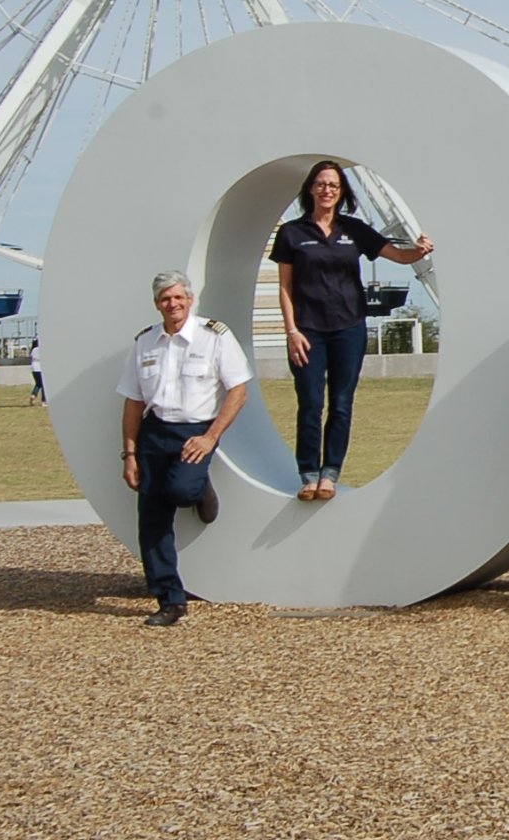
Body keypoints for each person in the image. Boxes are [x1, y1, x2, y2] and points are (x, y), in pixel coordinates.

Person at [270, 160, 433, 500]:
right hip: (308, 331)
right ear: (310, 189)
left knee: (341, 403)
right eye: (321, 183)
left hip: (348, 328)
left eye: (333, 185)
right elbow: (285, 287)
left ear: (342, 191)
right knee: (311, 403)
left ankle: (330, 473)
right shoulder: (292, 233)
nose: (327, 190)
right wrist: (291, 330)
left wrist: (418, 250)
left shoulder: (354, 229)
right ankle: (308, 473)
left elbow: (400, 257)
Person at [117, 270, 252, 627]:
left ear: (190, 300)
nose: (172, 304)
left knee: (181, 489)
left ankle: (199, 489)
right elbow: (132, 401)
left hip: (196, 430)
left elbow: (238, 391)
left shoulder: (214, 337)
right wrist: (129, 453)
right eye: (165, 298)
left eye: (178, 297)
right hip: (155, 432)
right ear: (156, 303)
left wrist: (210, 438)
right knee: (152, 520)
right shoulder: (145, 342)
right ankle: (169, 600)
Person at [27, 338, 45, 406]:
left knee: (38, 384)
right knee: (44, 385)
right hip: (40, 368)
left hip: (34, 368)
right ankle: (44, 401)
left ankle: (33, 395)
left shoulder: (33, 350)